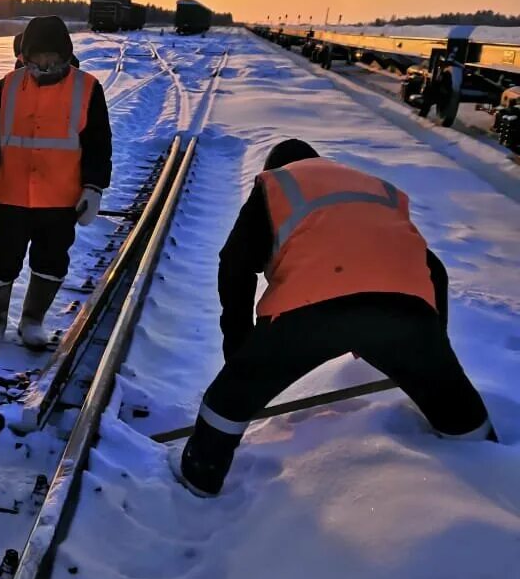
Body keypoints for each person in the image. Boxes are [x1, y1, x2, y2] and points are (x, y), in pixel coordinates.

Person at [175, 139, 496, 497]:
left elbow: (235, 263)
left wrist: (239, 348)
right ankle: (492, 473)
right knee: (459, 410)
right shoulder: (375, 188)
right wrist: (432, 346)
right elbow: (433, 268)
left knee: (228, 401)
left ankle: (198, 478)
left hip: (309, 306)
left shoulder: (276, 184)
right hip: (404, 308)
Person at [0, 16, 111, 354]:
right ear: (25, 56)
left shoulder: (87, 88)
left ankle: (32, 320)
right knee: (0, 261)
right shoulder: (7, 85)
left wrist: (93, 187)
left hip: (61, 198)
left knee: (50, 260)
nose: (44, 66)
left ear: (65, 55)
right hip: (10, 194)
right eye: (37, 59)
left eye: (52, 59)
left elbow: (98, 143)